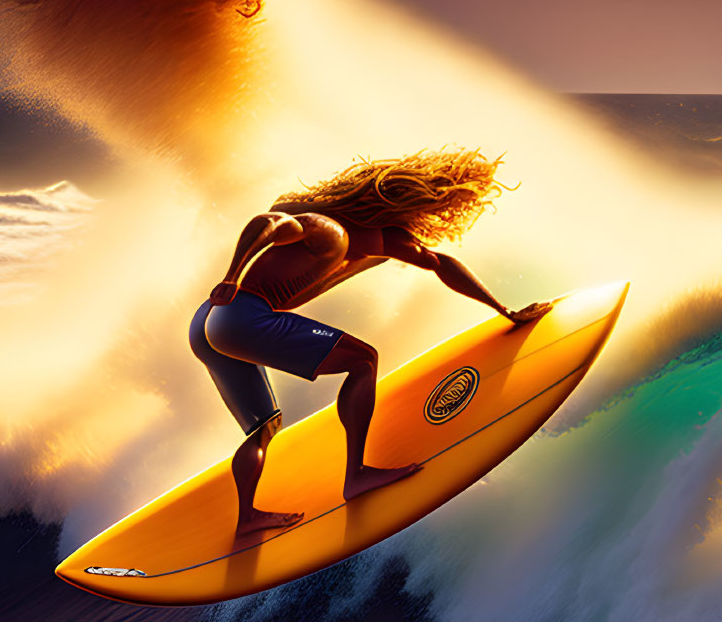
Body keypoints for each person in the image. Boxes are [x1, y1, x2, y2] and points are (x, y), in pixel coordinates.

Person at [188, 149, 551, 537]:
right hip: (241, 313)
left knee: (263, 426)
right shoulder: (328, 229)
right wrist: (231, 275)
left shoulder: (373, 241)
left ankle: (248, 518)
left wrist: (504, 310)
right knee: (364, 360)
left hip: (206, 321)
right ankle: (357, 474)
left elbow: (437, 262)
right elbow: (269, 223)